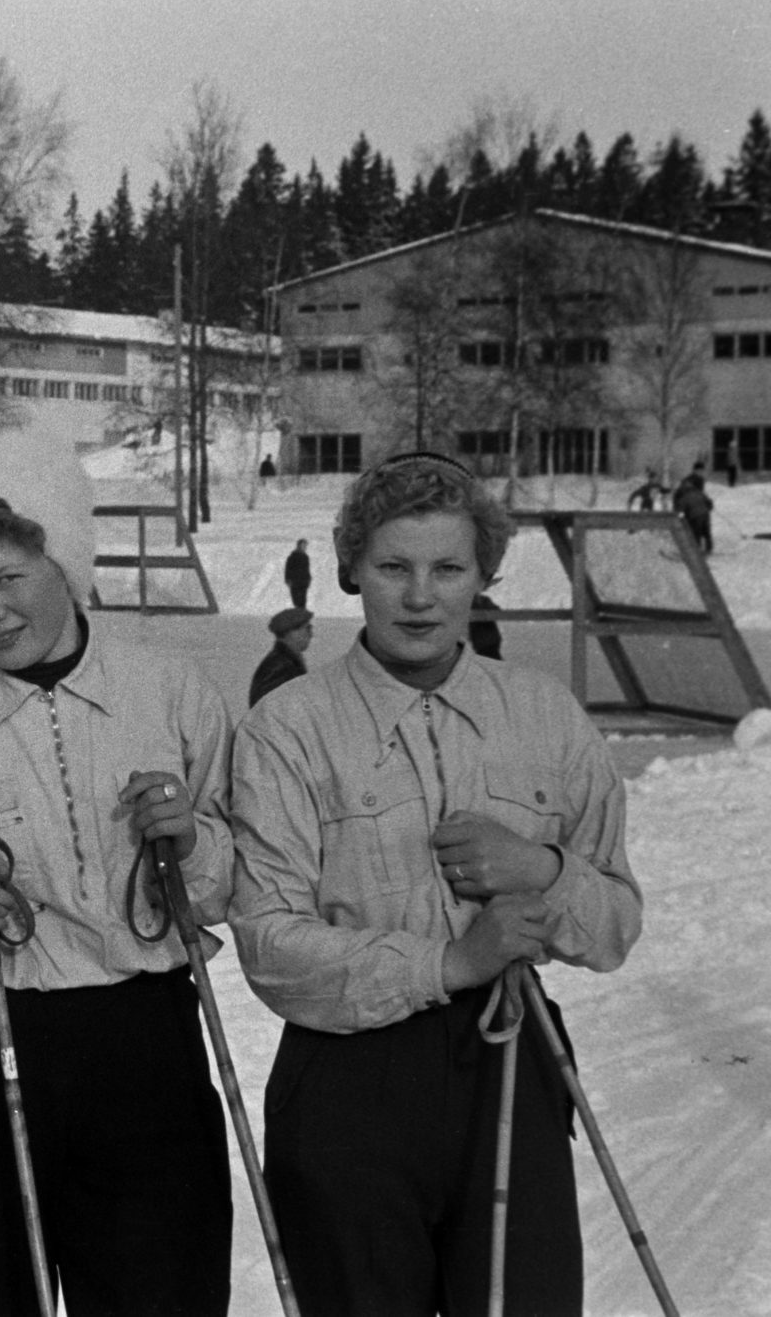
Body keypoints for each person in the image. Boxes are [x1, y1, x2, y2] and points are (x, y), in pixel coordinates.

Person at [228, 451, 643, 1317]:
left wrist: (541, 870)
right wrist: (452, 961)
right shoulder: (288, 730)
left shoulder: (544, 713)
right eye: (394, 567)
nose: (421, 595)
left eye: (448, 568)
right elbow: (270, 945)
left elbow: (613, 925)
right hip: (348, 1082)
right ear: (352, 571)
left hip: (509, 1063)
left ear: (482, 576)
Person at [0, 432, 236, 1317]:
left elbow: (237, 879)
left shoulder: (170, 691)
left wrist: (193, 843)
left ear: (67, 564)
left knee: (158, 1290)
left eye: (9, 578)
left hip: (141, 1038)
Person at [249, 605, 314, 708]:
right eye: (307, 628)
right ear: (292, 632)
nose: (311, 634)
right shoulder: (282, 665)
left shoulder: (285, 661)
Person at [677, 476, 715, 554]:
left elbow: (681, 510)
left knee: (696, 533)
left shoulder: (684, 497)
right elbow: (708, 501)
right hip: (705, 514)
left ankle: (697, 550)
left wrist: (680, 519)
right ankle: (709, 548)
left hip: (695, 516)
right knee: (706, 532)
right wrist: (709, 507)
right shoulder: (699, 492)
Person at [284, 538, 312, 610]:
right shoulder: (292, 557)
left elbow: (307, 569)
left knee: (303, 600)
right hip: (295, 581)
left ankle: (302, 616)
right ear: (298, 545)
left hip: (303, 581)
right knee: (296, 599)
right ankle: (298, 615)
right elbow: (288, 569)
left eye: (305, 545)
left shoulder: (305, 557)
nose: (304, 547)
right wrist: (287, 579)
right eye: (303, 545)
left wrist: (309, 578)